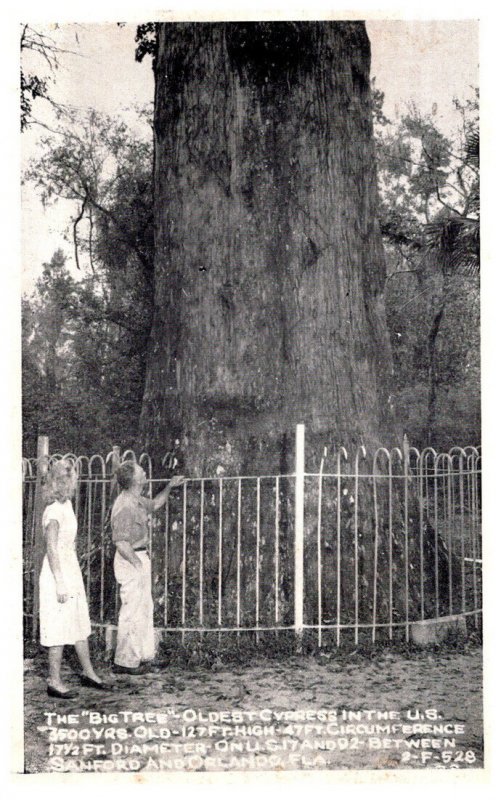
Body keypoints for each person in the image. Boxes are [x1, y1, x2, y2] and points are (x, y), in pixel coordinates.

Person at [40, 459, 112, 698]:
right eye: (66, 481)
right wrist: (60, 581)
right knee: (58, 625)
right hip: (56, 572)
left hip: (70, 568)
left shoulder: (67, 505)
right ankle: (54, 681)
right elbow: (51, 549)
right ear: (57, 482)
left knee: (79, 621)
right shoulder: (52, 511)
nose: (70, 485)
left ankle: (89, 672)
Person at [111, 461, 185, 675]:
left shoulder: (137, 500)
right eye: (140, 470)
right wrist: (136, 563)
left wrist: (170, 486)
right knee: (132, 611)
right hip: (131, 559)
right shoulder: (125, 505)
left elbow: (156, 504)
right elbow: (120, 542)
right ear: (135, 480)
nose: (145, 471)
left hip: (138, 557)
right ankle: (125, 661)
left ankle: (143, 657)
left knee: (143, 610)